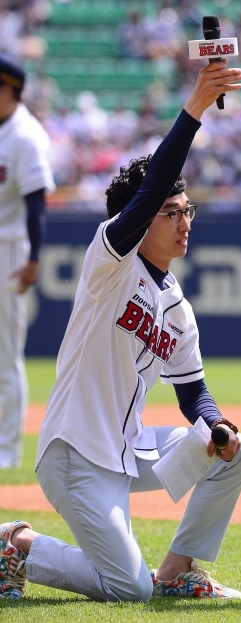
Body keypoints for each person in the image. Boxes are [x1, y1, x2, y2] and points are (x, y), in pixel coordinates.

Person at [0, 61, 241, 601]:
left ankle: (179, 570)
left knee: (240, 452)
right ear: (141, 221)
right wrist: (194, 109)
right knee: (127, 591)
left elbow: (193, 394)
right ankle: (16, 543)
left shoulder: (178, 308)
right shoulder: (108, 265)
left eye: (188, 211)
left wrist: (213, 424)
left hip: (128, 449)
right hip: (74, 456)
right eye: (170, 212)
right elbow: (152, 186)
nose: (185, 221)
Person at [0, 53, 54, 468]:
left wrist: (35, 258)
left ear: (9, 89)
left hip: (10, 249)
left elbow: (37, 204)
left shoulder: (25, 135)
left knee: (4, 357)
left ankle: (6, 452)